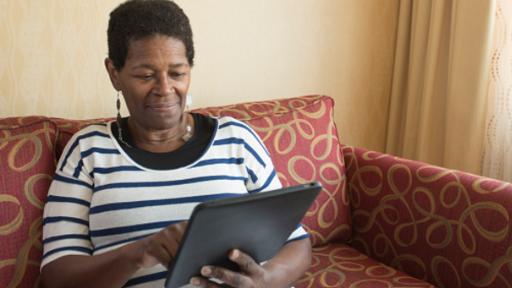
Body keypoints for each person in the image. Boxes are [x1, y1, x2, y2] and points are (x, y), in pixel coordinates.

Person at [39, 1, 311, 287]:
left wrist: (266, 281)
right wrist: (138, 253)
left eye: (178, 73)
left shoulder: (237, 140)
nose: (165, 89)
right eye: (145, 75)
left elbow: (296, 242)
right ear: (114, 73)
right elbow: (57, 277)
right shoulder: (88, 151)